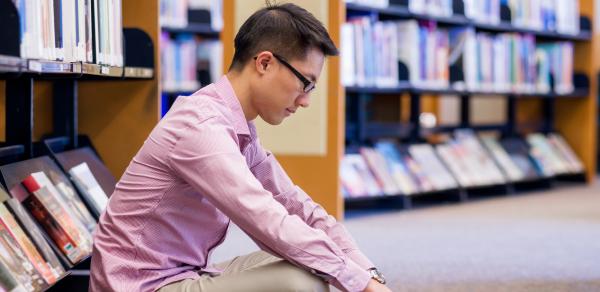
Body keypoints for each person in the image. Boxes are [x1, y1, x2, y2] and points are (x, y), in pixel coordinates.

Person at [89, 2, 391, 292]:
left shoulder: (238, 127)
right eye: (305, 83)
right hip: (142, 286)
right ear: (264, 62)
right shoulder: (200, 127)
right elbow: (265, 218)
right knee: (302, 282)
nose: (305, 101)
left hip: (184, 274)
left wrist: (368, 274)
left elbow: (297, 206)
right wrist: (359, 284)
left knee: (312, 259)